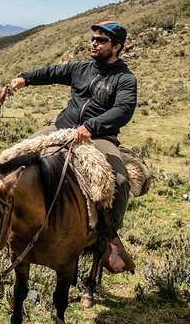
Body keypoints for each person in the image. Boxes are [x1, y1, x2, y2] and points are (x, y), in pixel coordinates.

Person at [10, 21, 136, 271]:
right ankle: (7, 215)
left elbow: (123, 110)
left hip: (98, 136)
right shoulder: (81, 68)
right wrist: (26, 78)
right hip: (61, 128)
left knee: (120, 181)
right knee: (18, 155)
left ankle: (110, 234)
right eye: (94, 39)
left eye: (101, 40)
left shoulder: (125, 79)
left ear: (116, 47)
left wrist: (92, 126)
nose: (94, 43)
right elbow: (52, 73)